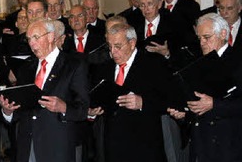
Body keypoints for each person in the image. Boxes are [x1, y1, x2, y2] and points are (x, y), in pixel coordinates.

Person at [0, 18, 89, 162]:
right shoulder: (26, 68)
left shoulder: (73, 65)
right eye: (28, 39)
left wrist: (64, 107)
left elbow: (83, 109)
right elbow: (21, 109)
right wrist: (8, 111)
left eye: (36, 37)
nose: (32, 43)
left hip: (57, 145)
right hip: (27, 145)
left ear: (51, 37)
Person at [89, 23, 170, 162]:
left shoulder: (153, 64)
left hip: (144, 146)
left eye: (118, 46)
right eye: (110, 46)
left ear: (132, 43)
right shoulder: (104, 68)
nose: (113, 52)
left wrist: (143, 102)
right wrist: (91, 111)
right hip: (113, 147)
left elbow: (168, 99)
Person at [168, 13, 242, 162]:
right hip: (202, 144)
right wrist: (185, 113)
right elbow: (198, 102)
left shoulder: (238, 60)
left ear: (222, 34)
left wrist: (214, 104)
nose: (202, 43)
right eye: (200, 38)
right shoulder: (198, 63)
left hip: (229, 146)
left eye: (207, 37)